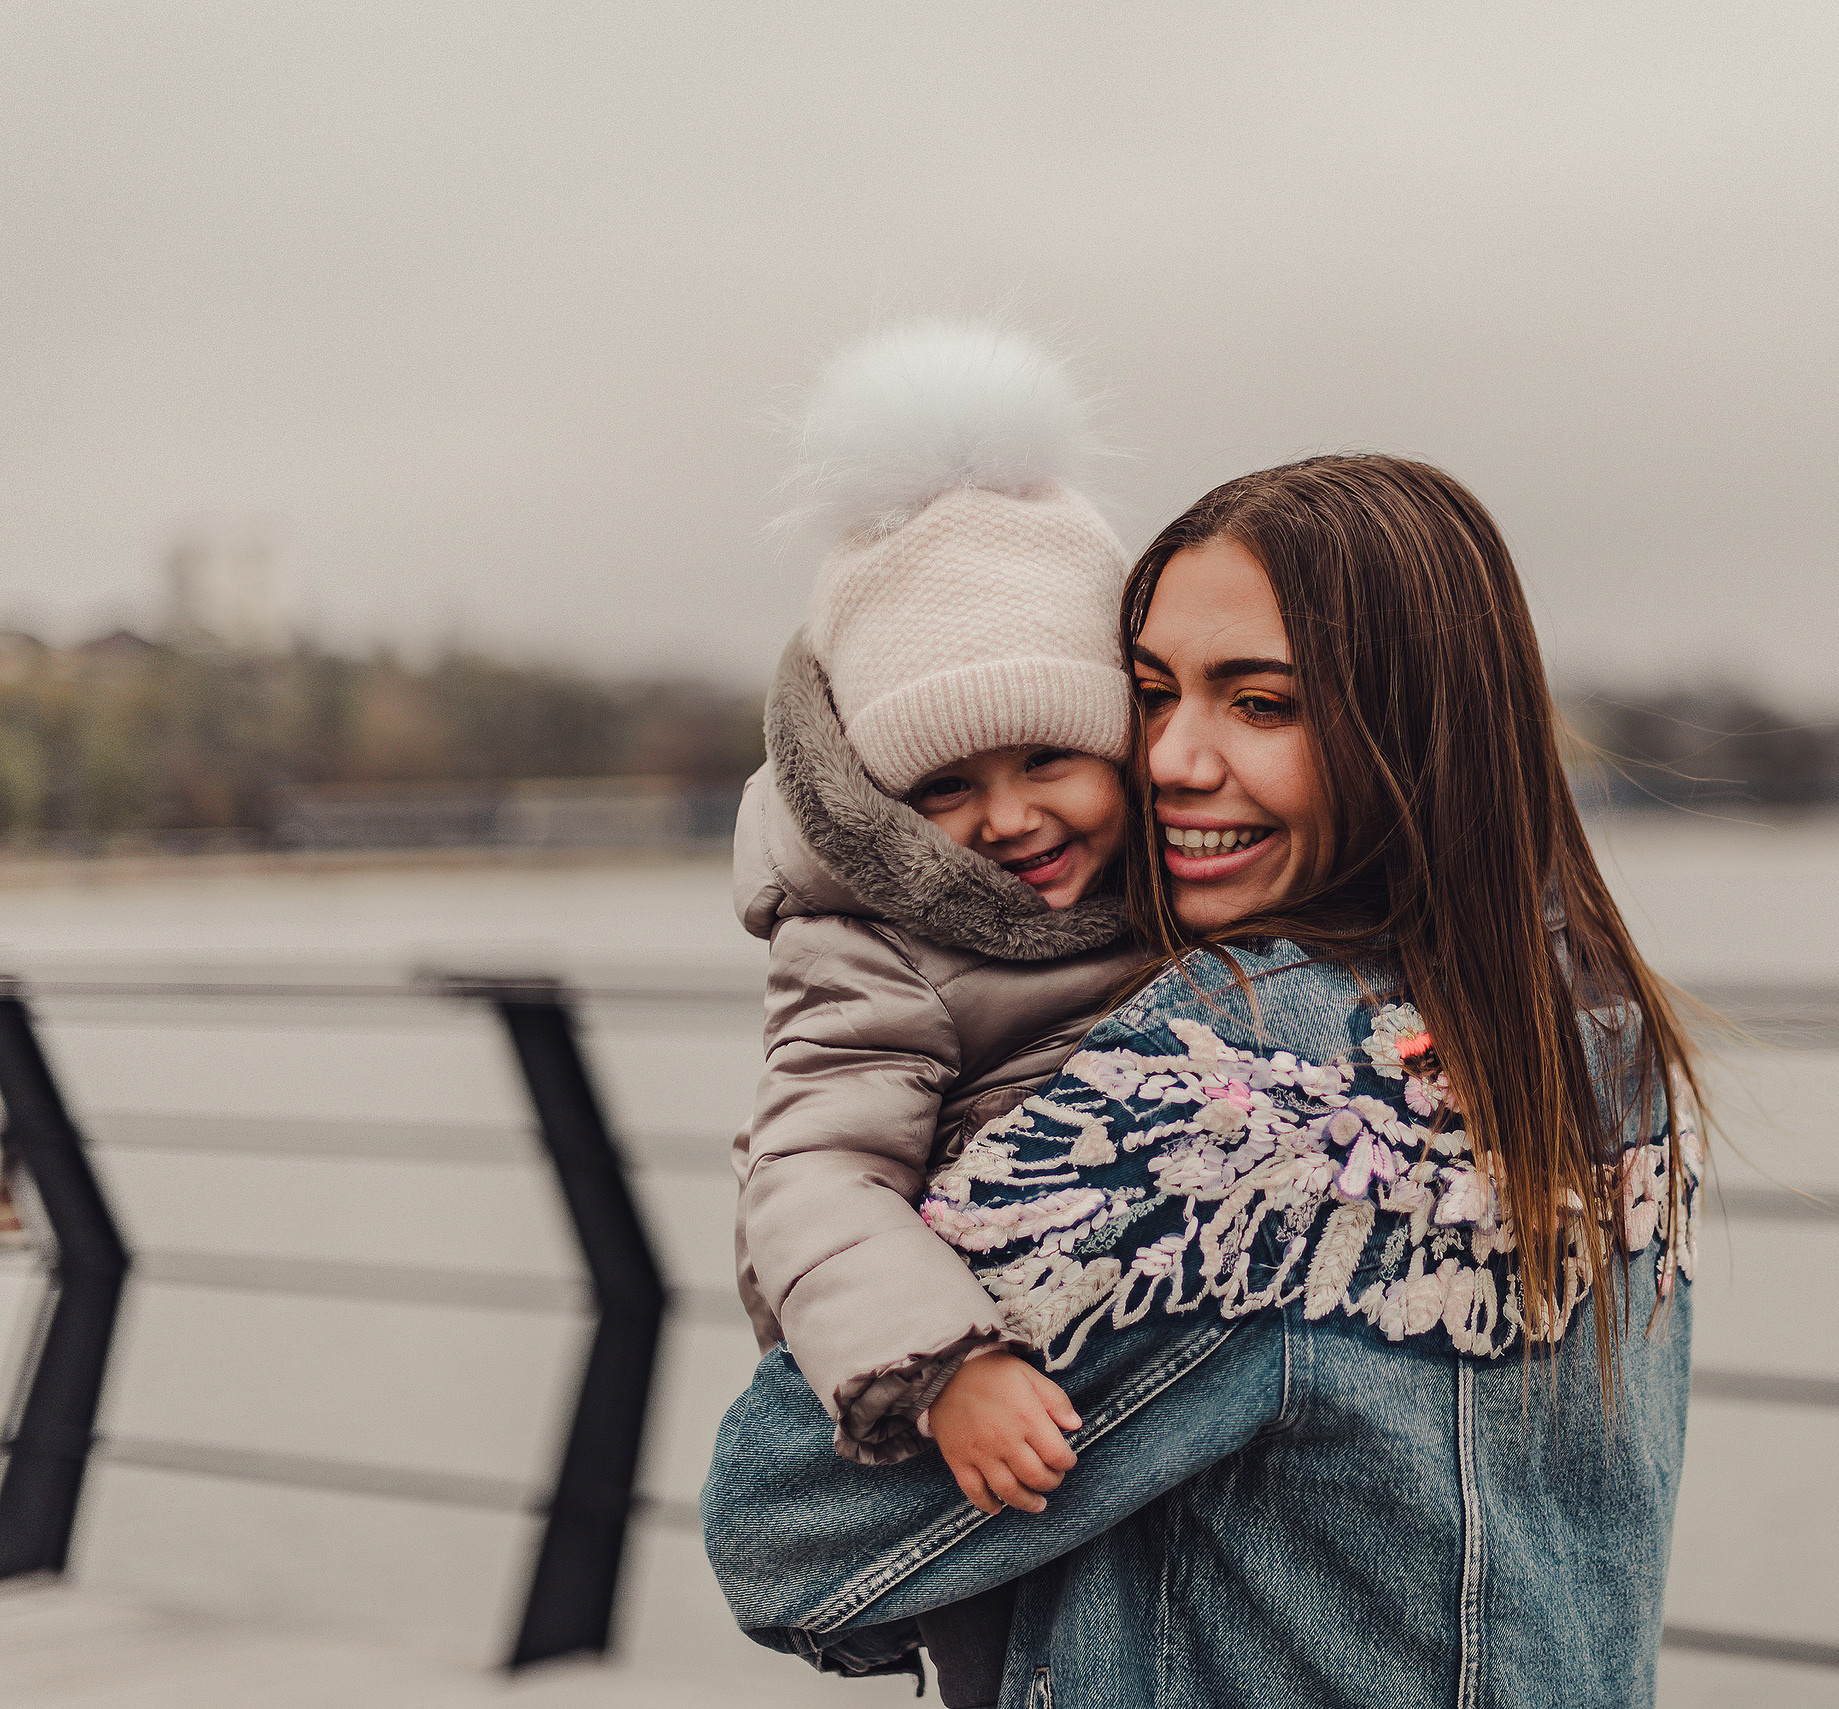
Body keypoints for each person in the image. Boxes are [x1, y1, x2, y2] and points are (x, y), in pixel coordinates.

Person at [707, 454, 1705, 1708]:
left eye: (1261, 703)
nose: (1171, 757)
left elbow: (779, 1533)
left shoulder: (1234, 1098)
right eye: (1150, 694)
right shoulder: (1598, 1040)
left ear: (1412, 729)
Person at [728, 321, 1143, 1704]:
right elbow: (809, 1167)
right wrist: (937, 1365)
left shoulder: (1176, 888)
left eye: (1050, 757)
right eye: (946, 786)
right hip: (984, 1428)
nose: (1010, 817)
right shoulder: (871, 945)